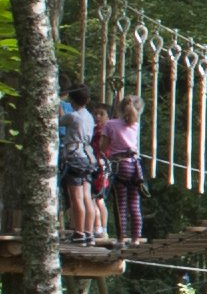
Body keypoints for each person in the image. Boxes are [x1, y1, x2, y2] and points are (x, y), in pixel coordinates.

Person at [96, 92, 146, 243]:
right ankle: (136, 238)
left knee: (121, 204)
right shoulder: (135, 125)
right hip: (135, 166)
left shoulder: (110, 124)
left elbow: (102, 147)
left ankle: (121, 238)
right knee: (134, 203)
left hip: (120, 165)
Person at [59, 84, 102, 239]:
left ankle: (79, 232)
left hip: (74, 157)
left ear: (71, 100)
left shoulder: (73, 116)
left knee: (76, 197)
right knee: (86, 196)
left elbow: (59, 121)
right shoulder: (89, 117)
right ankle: (88, 231)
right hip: (87, 157)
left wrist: (58, 106)